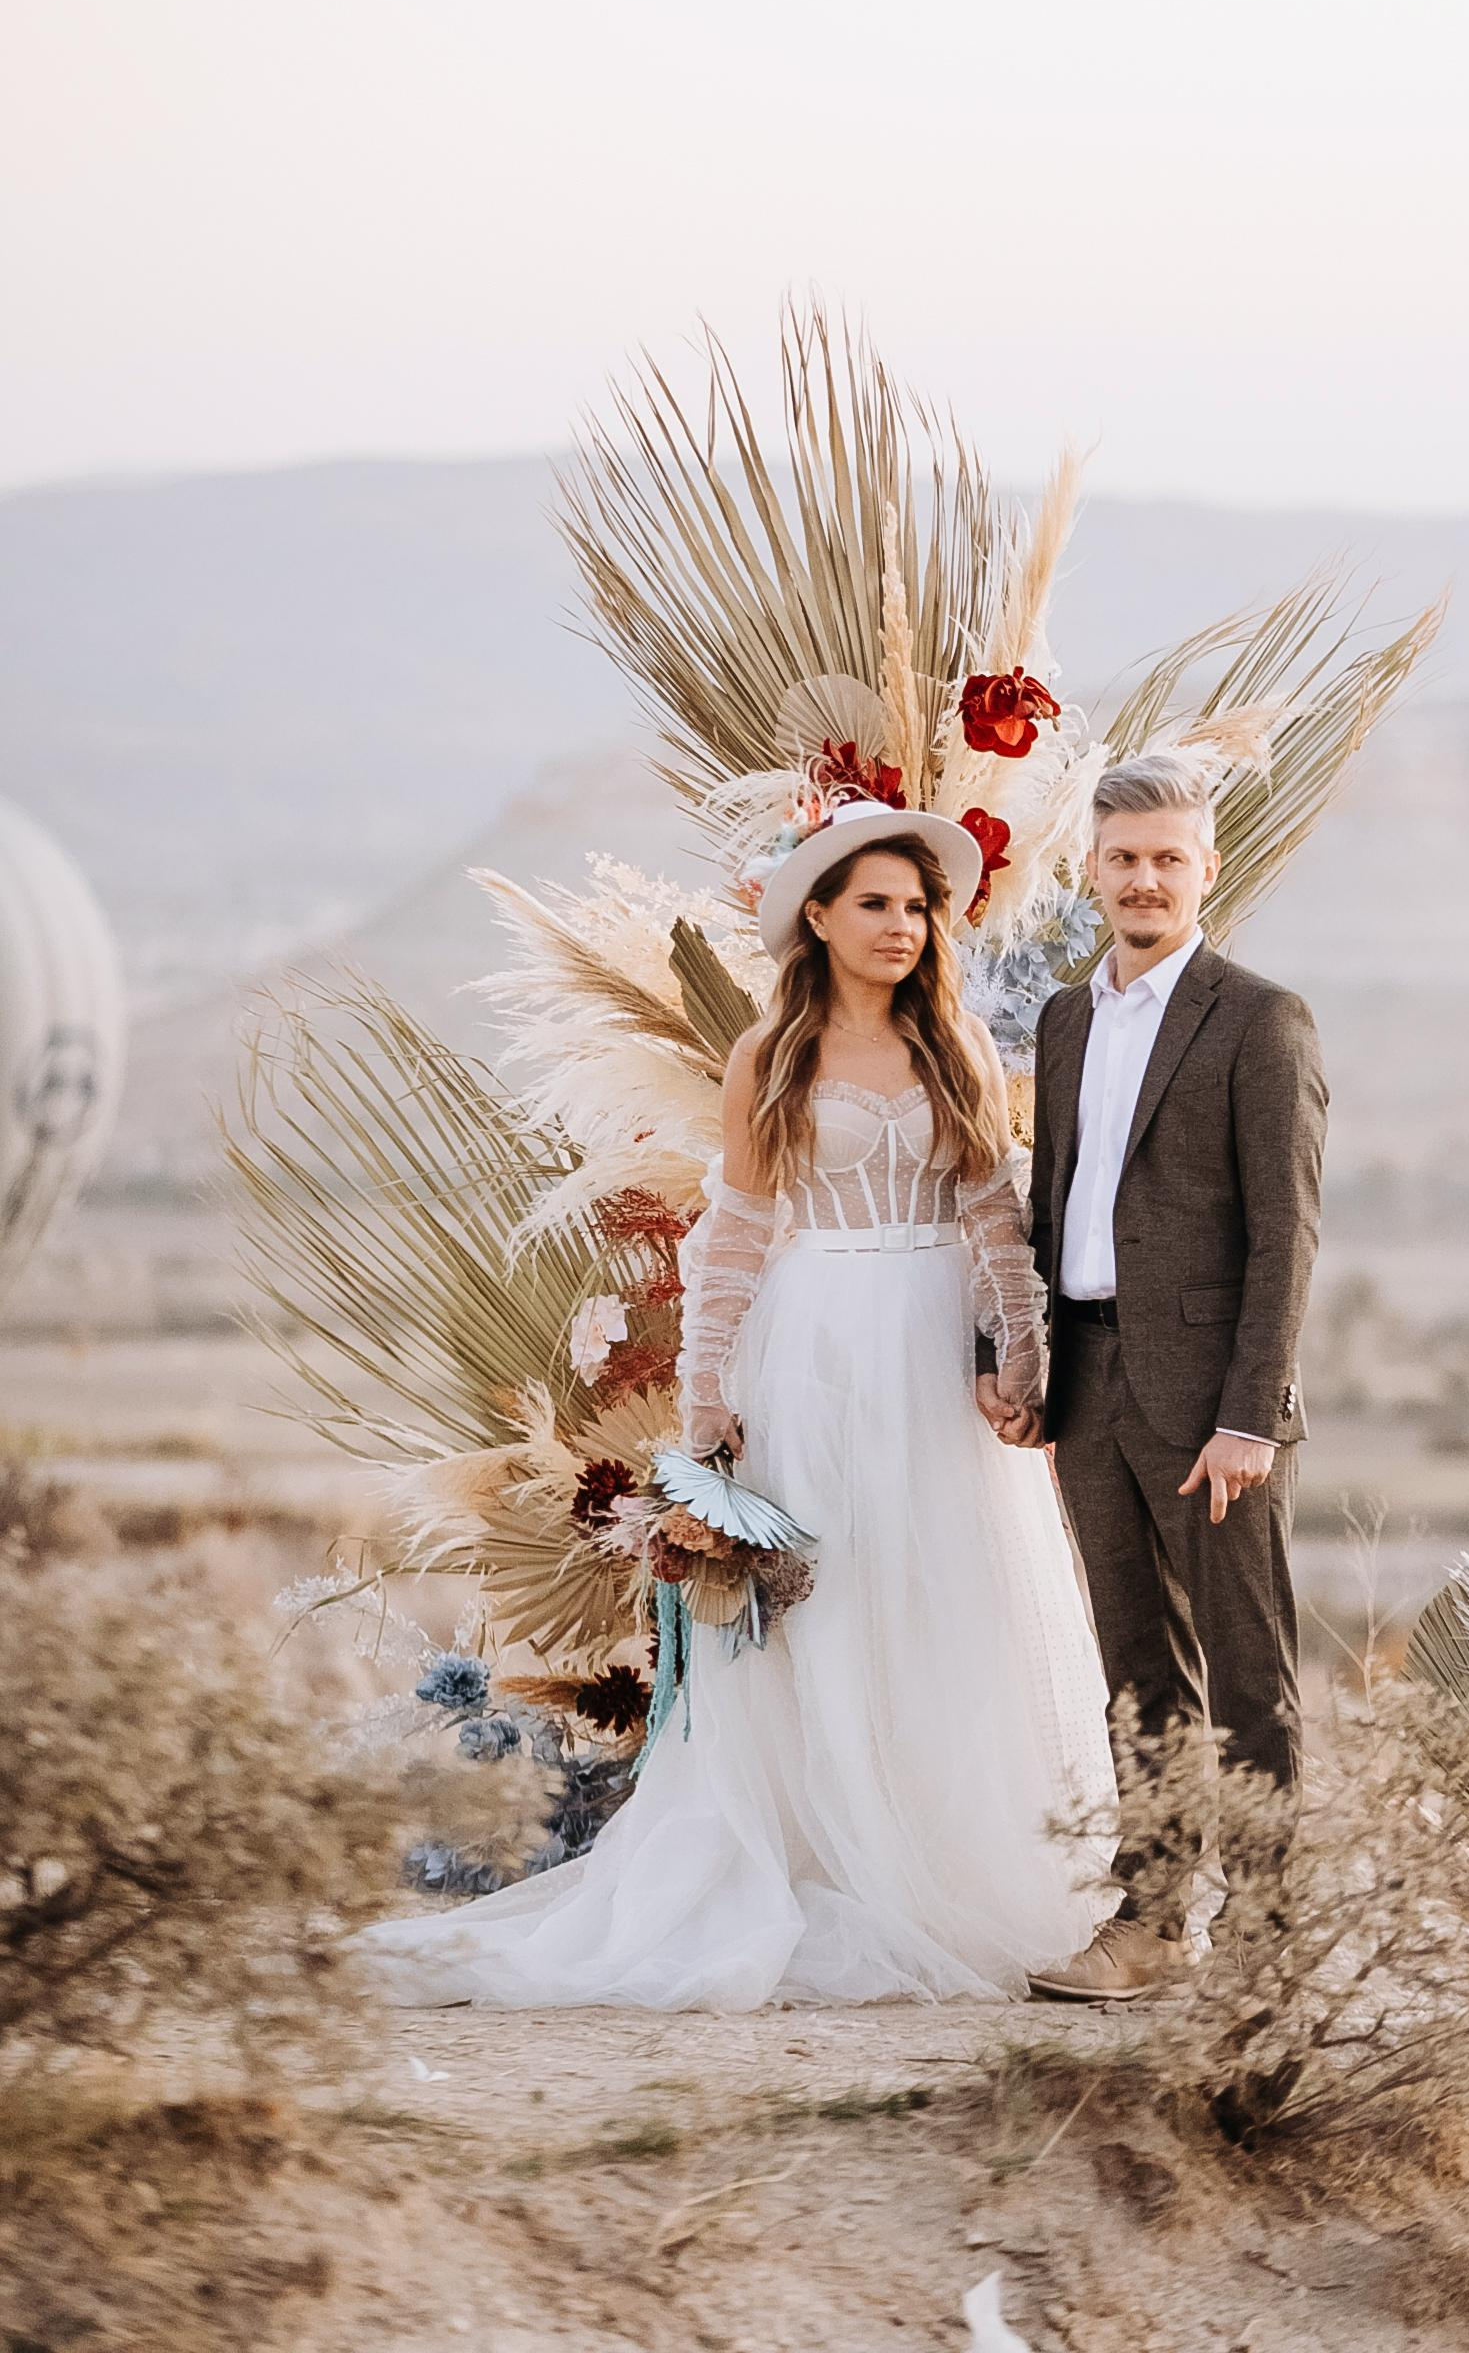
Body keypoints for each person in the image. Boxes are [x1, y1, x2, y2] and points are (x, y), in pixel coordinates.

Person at [367, 799, 1113, 2009]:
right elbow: (736, 1233)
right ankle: (828, 1852)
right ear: (816, 917)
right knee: (827, 1597)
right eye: (873, 904)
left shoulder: (957, 1044)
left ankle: (953, 1861)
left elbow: (990, 1213)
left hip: (933, 1347)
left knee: (946, 1584)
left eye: (916, 907)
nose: (900, 926)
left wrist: (1021, 1354)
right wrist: (706, 1394)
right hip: (814, 1343)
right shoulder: (772, 1056)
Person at [1008, 752, 1329, 2004]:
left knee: (1248, 1673)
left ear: (1207, 869)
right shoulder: (1063, 1020)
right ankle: (1148, 1923)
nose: (1143, 880)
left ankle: (1264, 1935)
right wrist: (1017, 1359)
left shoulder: (1259, 1018)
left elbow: (1285, 1233)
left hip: (1213, 1406)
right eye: (1122, 859)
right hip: (1088, 1383)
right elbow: (1051, 1204)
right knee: (1134, 1670)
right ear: (1089, 870)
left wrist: (1251, 1415)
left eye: (1166, 859)